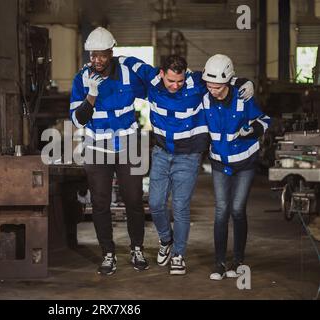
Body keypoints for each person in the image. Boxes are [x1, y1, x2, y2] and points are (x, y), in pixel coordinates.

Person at [124, 55, 254, 275]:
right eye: (171, 81)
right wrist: (107, 59)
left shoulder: (196, 83)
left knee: (181, 207)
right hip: (162, 153)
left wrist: (245, 82)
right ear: (161, 74)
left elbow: (221, 78)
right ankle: (166, 240)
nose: (176, 85)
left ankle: (178, 255)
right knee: (155, 204)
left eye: (180, 81)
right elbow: (129, 61)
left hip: (189, 156)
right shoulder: (152, 79)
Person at [69, 27, 149, 275]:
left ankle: (137, 249)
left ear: (111, 52)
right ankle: (108, 253)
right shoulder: (81, 79)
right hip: (97, 147)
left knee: (134, 200)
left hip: (129, 145)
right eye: (93, 55)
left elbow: (157, 90)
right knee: (100, 202)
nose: (97, 61)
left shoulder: (128, 73)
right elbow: (78, 121)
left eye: (102, 55)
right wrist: (91, 95)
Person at [200, 54, 271, 280]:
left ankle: (238, 260)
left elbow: (265, 120)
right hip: (220, 163)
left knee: (237, 210)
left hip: (245, 162)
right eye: (210, 86)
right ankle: (219, 263)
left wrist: (254, 130)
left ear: (229, 81)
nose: (214, 91)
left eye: (218, 87)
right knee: (221, 211)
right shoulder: (204, 100)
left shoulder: (244, 97)